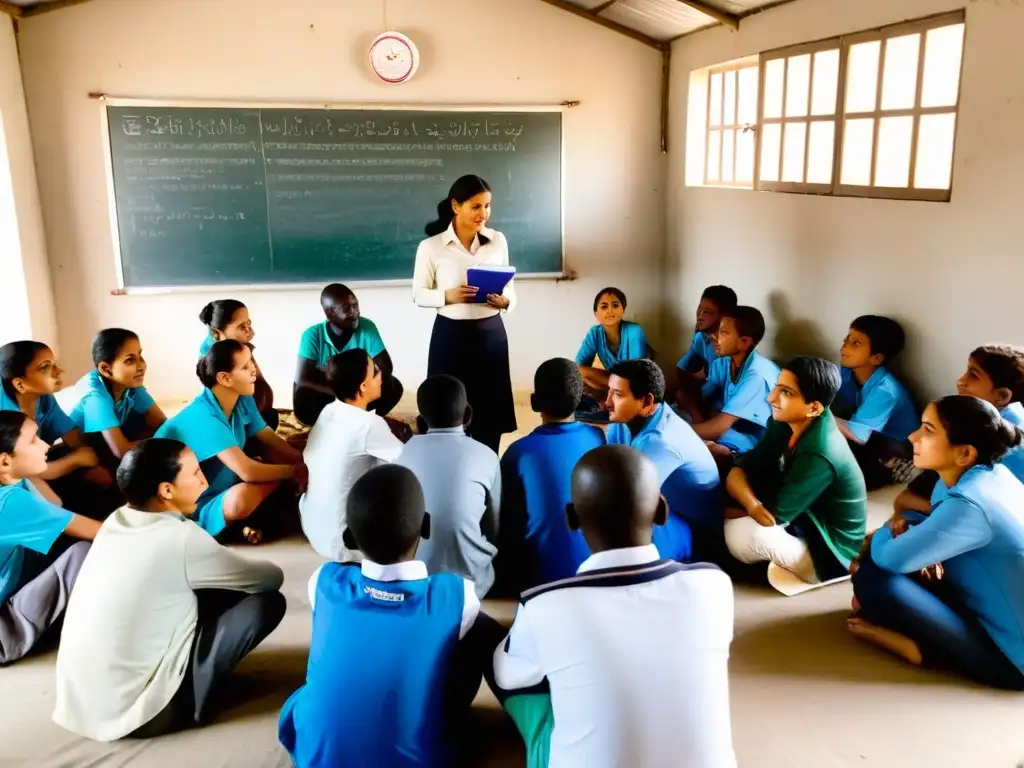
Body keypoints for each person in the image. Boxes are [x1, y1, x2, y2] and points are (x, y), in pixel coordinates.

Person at [490, 445, 737, 768]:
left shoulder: (545, 603)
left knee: (508, 653)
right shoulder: (713, 586)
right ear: (662, 512)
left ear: (571, 518)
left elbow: (507, 677)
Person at [53, 438, 286, 740]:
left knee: (199, 587)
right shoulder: (181, 538)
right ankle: (195, 699)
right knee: (265, 603)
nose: (204, 479)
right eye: (194, 473)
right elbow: (270, 578)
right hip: (141, 714)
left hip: (82, 707)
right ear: (166, 490)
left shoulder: (115, 521)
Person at [279, 464, 505, 768]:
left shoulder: (323, 582)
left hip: (317, 758)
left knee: (310, 693)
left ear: (349, 538)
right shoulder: (455, 595)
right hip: (417, 760)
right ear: (425, 527)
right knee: (474, 631)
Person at [850, 396, 1024, 690]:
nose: (912, 436)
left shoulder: (969, 504)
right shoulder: (991, 473)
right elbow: (939, 528)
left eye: (928, 430)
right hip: (991, 601)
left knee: (873, 576)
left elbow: (889, 558)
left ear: (964, 453)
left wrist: (888, 528)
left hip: (1014, 663)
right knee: (907, 553)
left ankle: (923, 650)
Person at [723, 357, 867, 594]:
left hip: (828, 551)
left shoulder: (821, 451)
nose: (772, 398)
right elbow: (749, 462)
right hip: (800, 520)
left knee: (747, 535)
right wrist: (749, 500)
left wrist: (743, 503)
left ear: (814, 408)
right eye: (777, 387)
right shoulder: (786, 420)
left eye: (786, 392)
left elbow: (773, 516)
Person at [156, 341, 306, 543]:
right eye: (245, 367)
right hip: (190, 503)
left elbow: (270, 438)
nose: (254, 370)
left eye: (251, 362)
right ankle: (239, 524)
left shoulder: (242, 397)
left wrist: (304, 459)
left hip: (225, 483)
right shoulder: (203, 415)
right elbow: (248, 471)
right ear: (224, 378)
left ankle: (247, 525)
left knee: (277, 456)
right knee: (241, 500)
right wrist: (294, 471)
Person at [413, 175, 517, 454]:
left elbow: (511, 288)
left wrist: (506, 301)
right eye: (476, 206)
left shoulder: (497, 240)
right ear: (456, 206)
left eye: (488, 206)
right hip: (450, 336)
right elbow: (419, 293)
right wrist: (448, 296)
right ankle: (449, 465)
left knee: (489, 414)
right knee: (447, 410)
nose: (483, 214)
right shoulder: (431, 247)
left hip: (491, 336)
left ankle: (487, 465)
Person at [0, 412, 98, 665]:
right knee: (82, 552)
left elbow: (56, 505)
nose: (45, 445)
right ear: (4, 461)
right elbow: (95, 531)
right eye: (33, 441)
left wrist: (28, 473)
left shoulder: (12, 483)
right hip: (2, 634)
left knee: (62, 541)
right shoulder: (9, 502)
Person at [497, 359, 604, 592]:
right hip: (596, 572)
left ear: (534, 402)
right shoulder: (598, 439)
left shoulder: (518, 453)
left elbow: (506, 524)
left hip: (540, 580)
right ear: (580, 400)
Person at [605, 359, 721, 562]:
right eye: (609, 391)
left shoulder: (661, 442)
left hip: (693, 529)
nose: (607, 402)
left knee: (620, 533)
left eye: (618, 395)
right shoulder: (622, 422)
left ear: (647, 402)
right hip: (665, 510)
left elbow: (629, 499)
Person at [395, 375, 501, 598]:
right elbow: (494, 527)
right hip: (472, 585)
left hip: (413, 580)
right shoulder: (487, 456)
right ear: (468, 415)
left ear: (419, 421)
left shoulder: (402, 453)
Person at [300, 349, 405, 562]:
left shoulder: (329, 410)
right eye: (375, 371)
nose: (381, 373)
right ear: (363, 387)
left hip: (313, 527)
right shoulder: (369, 424)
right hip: (342, 542)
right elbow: (408, 463)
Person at [896, 344, 1024, 514]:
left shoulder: (984, 436)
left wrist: (903, 503)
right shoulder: (1014, 413)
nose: (960, 381)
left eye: (974, 375)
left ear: (1002, 396)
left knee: (905, 506)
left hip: (996, 513)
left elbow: (968, 508)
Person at [1, 340, 115, 517]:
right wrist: (75, 460)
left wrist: (88, 457)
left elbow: (75, 439)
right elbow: (24, 470)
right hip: (12, 478)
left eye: (55, 364)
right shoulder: (6, 419)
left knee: (98, 474)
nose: (58, 372)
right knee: (51, 503)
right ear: (20, 384)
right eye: (45, 367)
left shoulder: (43, 398)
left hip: (34, 464)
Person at [293, 283, 403, 427]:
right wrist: (344, 394)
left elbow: (385, 368)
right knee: (304, 395)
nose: (355, 312)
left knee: (391, 385)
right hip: (328, 393)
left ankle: (357, 420)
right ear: (329, 313)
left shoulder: (366, 327)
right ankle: (338, 423)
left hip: (357, 393)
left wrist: (356, 391)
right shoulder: (312, 335)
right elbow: (304, 377)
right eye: (347, 308)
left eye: (356, 306)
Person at [683, 306, 781, 459]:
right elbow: (700, 394)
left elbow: (718, 427)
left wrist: (673, 430)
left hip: (754, 438)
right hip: (731, 427)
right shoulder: (724, 363)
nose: (714, 336)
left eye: (723, 332)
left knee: (710, 450)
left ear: (744, 342)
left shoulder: (757, 376)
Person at [833, 315, 919, 489]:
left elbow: (857, 435)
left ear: (876, 358)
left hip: (893, 451)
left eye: (855, 343)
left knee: (842, 476)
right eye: (846, 339)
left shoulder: (886, 391)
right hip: (868, 434)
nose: (844, 346)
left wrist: (818, 413)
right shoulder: (848, 373)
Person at [63, 328, 166, 468]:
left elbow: (160, 421)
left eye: (140, 356)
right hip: (87, 444)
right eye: (130, 360)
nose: (141, 365)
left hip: (112, 432)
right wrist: (161, 442)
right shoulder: (96, 397)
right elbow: (121, 450)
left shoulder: (130, 382)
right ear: (106, 369)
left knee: (156, 430)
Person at [199, 300, 277, 430]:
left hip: (256, 414)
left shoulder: (234, 345)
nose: (250, 330)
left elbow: (259, 383)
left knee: (272, 416)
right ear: (216, 334)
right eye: (242, 327)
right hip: (235, 424)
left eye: (249, 323)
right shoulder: (215, 360)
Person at [575, 287, 649, 415]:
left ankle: (611, 400)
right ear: (596, 313)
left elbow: (635, 374)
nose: (609, 311)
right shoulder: (595, 333)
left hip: (635, 385)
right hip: (613, 383)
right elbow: (578, 367)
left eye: (615, 305)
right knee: (576, 374)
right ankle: (604, 400)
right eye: (604, 307)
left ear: (623, 309)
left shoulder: (634, 332)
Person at [674, 285, 738, 402]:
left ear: (725, 316)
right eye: (699, 309)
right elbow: (681, 369)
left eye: (707, 312)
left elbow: (711, 391)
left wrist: (691, 406)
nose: (700, 316)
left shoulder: (732, 347)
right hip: (702, 401)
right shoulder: (701, 337)